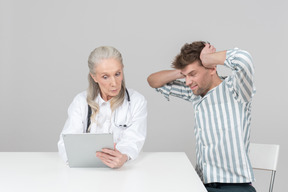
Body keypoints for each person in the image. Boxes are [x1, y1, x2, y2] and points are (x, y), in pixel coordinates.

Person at [147, 41, 256, 192]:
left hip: (235, 186)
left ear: (212, 68)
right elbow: (154, 82)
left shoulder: (236, 89)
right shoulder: (194, 94)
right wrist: (183, 71)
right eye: (185, 76)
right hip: (201, 185)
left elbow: (244, 59)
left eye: (193, 74)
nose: (187, 82)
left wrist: (208, 59)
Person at [58, 46, 147, 168]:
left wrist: (123, 157)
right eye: (105, 77)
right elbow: (67, 143)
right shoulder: (81, 102)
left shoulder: (137, 101)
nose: (114, 83)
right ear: (94, 77)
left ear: (123, 70)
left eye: (117, 74)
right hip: (86, 171)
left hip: (124, 170)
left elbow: (134, 140)